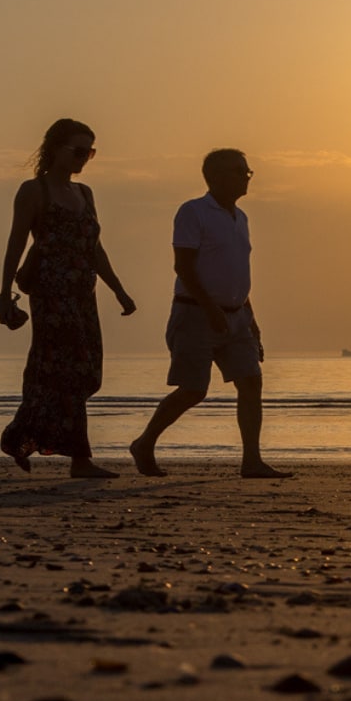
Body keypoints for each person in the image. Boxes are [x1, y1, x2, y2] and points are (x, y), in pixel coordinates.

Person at [129, 148, 285, 478]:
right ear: (214, 176)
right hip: (195, 313)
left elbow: (236, 273)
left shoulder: (240, 218)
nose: (246, 177)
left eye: (247, 171)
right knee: (193, 389)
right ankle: (144, 443)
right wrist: (210, 309)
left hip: (237, 314)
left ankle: (252, 460)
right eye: (238, 171)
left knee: (251, 382)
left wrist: (250, 319)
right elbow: (183, 266)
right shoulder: (193, 212)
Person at [0, 117, 136, 477]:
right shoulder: (34, 191)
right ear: (55, 149)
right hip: (50, 295)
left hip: (82, 294)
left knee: (87, 374)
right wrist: (4, 292)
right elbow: (16, 243)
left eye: (89, 152)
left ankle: (21, 435)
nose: (83, 158)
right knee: (67, 372)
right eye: (77, 150)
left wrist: (118, 290)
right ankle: (80, 460)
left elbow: (95, 248)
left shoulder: (85, 193)